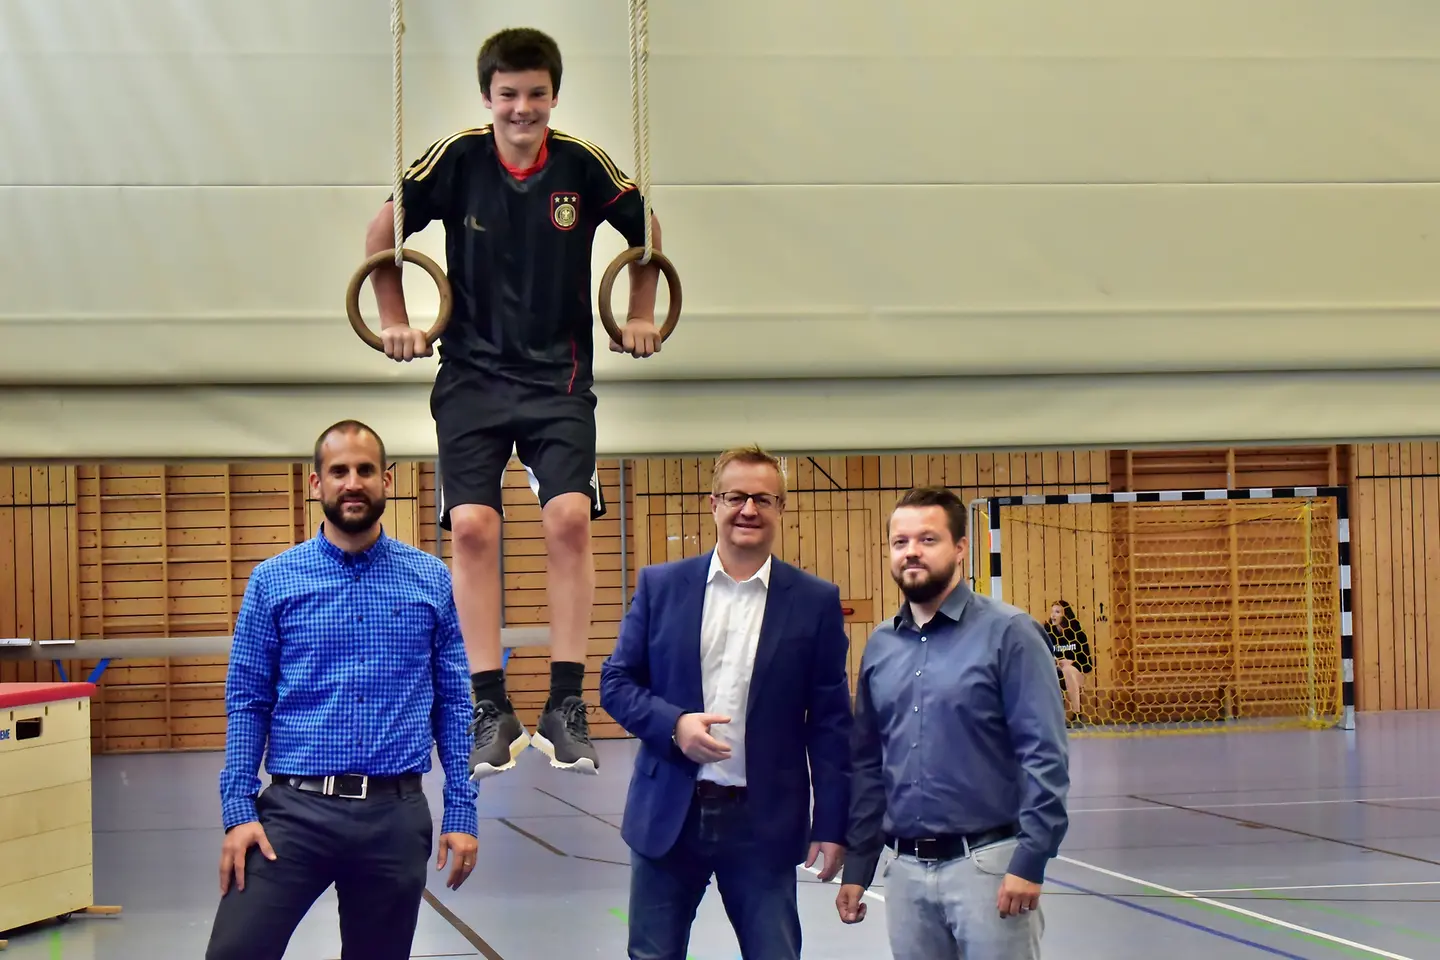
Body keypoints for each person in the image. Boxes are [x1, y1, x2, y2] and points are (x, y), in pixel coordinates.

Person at [363, 26, 665, 778]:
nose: (522, 109)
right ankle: (488, 702)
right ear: (488, 98)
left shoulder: (581, 165)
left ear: (554, 96)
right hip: (470, 374)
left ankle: (566, 702)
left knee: (567, 518)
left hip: (556, 379)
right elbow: (381, 231)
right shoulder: (459, 158)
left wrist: (640, 308)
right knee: (471, 528)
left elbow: (645, 231)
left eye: (535, 95)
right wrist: (396, 319)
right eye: (508, 96)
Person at [206, 420, 479, 960]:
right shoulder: (273, 580)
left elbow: (453, 703)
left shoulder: (430, 578)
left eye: (365, 470)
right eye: (339, 471)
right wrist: (238, 812)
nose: (352, 482)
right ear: (317, 484)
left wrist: (462, 813)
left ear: (387, 480)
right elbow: (247, 700)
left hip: (394, 817)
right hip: (293, 814)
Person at [599, 446, 854, 960]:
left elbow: (830, 724)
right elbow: (616, 683)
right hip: (670, 816)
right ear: (713, 503)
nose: (748, 510)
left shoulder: (814, 601)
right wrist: (675, 726)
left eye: (763, 498)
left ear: (781, 507)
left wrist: (832, 823)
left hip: (764, 823)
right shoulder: (660, 587)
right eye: (736, 496)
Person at [836, 486, 1069, 960]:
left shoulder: (1010, 633)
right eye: (900, 542)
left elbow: (1044, 755)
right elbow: (868, 765)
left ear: (960, 548)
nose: (912, 552)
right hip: (903, 874)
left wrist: (1031, 860)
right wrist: (859, 864)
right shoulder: (880, 645)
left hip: (988, 869)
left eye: (927, 539)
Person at [1046, 599, 1093, 723]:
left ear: (1065, 615)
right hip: (1053, 672)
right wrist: (1055, 660)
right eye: (1052, 612)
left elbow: (1088, 664)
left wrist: (1071, 662)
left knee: (1067, 670)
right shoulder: (1048, 633)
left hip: (1076, 674)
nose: (1053, 615)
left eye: (1057, 612)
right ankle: (1056, 716)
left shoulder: (1078, 634)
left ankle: (1077, 714)